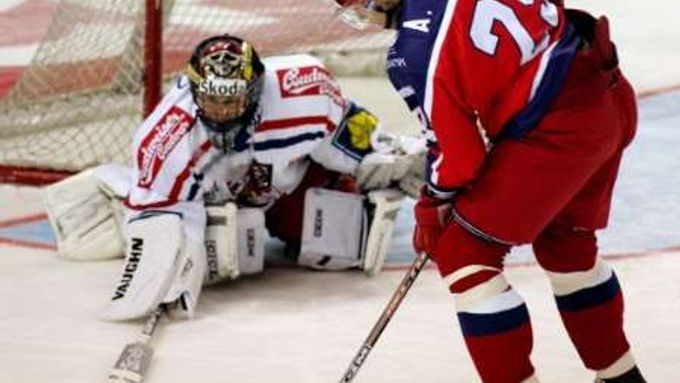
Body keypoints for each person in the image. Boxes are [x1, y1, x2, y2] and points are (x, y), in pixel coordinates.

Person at [332, 1, 643, 383]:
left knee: (466, 253)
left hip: (562, 131)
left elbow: (459, 158)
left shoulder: (414, 51)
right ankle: (622, 377)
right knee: (567, 246)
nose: (364, 17)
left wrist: (434, 204)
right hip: (607, 91)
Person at [42, 34, 425, 322]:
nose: (222, 112)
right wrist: (165, 272)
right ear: (194, 90)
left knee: (341, 247)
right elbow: (162, 212)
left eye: (232, 101)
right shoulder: (167, 137)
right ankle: (118, 189)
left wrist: (385, 157)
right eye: (212, 100)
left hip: (288, 182)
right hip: (222, 201)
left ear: (255, 91)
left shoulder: (301, 89)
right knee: (227, 247)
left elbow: (344, 129)